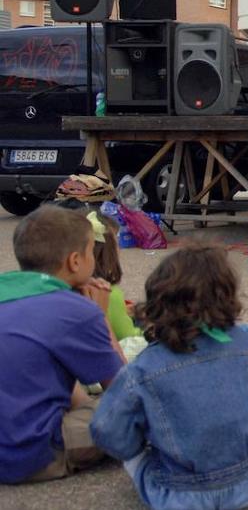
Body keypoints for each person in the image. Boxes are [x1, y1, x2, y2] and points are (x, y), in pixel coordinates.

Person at [90, 245, 248, 509]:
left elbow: (108, 432)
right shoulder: (245, 343)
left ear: (157, 304)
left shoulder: (144, 368)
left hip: (181, 496)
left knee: (138, 441)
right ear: (227, 298)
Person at [0, 206, 124, 484]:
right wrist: (102, 317)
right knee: (141, 411)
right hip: (28, 455)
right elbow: (126, 391)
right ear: (75, 261)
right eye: (92, 251)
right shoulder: (75, 310)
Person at [87, 211, 142, 342]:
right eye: (116, 242)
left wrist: (122, 310)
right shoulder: (108, 292)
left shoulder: (65, 289)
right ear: (107, 254)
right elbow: (129, 337)